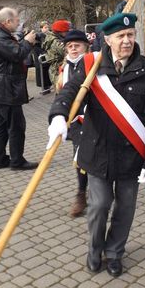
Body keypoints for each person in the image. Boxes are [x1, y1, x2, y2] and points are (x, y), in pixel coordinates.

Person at [47, 12, 145, 277]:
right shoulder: (91, 65)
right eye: (120, 36)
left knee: (125, 208)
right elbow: (69, 92)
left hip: (131, 155)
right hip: (97, 151)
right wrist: (58, 116)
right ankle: (94, 250)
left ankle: (114, 253)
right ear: (107, 39)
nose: (126, 41)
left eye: (130, 35)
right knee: (100, 205)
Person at [0, 7, 39, 171]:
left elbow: (13, 51)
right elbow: (17, 53)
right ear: (7, 21)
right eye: (16, 20)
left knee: (1, 125)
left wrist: (24, 39)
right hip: (6, 89)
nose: (18, 23)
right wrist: (28, 41)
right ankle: (17, 161)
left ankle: (0, 160)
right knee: (16, 126)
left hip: (1, 88)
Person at [57, 30, 91, 217]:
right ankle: (81, 194)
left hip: (94, 118)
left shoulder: (94, 64)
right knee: (79, 158)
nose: (73, 48)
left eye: (77, 45)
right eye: (70, 46)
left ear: (85, 46)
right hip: (76, 122)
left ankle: (98, 192)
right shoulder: (65, 68)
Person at [44, 20, 70, 88]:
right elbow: (66, 51)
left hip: (58, 67)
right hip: (57, 69)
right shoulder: (55, 41)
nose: (67, 33)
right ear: (60, 32)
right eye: (66, 31)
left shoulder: (53, 38)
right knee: (61, 90)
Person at [31, 21, 52, 94]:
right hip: (40, 57)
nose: (47, 29)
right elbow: (36, 46)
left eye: (48, 27)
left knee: (46, 73)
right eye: (45, 27)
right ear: (41, 28)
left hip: (45, 56)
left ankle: (47, 88)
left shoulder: (48, 35)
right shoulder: (39, 36)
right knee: (42, 74)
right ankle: (45, 88)